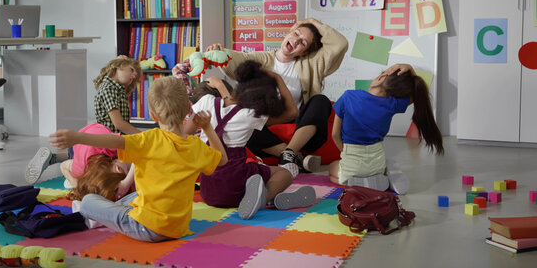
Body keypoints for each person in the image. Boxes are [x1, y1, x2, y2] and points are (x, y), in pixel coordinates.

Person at [49, 77, 228, 242]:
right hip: (178, 228)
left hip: (146, 228)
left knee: (87, 201)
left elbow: (115, 140)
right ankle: (105, 215)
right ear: (188, 110)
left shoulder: (149, 139)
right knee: (136, 195)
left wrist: (78, 137)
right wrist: (207, 128)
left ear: (153, 115)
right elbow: (222, 160)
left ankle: (95, 217)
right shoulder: (195, 146)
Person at [209, 18, 348, 172]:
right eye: (296, 34)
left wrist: (312, 21)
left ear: (305, 52)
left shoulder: (311, 63)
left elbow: (340, 44)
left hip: (299, 124)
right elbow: (236, 60)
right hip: (263, 125)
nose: (296, 41)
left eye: (302, 42)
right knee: (243, 121)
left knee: (321, 100)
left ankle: (289, 152)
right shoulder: (261, 59)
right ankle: (295, 157)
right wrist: (218, 53)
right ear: (289, 33)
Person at [186, 61, 316, 220]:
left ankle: (264, 197)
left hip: (209, 193)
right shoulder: (250, 113)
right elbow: (292, 112)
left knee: (255, 167)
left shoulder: (203, 104)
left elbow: (184, 134)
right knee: (285, 172)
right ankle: (265, 198)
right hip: (235, 188)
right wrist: (277, 78)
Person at [328, 64, 444, 194]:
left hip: (353, 161)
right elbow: (417, 93)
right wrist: (410, 69)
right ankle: (381, 175)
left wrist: (346, 154)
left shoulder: (348, 96)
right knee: (364, 168)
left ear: (381, 77)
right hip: (377, 161)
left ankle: (353, 181)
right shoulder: (392, 104)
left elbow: (335, 135)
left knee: (332, 169)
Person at [25, 55, 141, 184]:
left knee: (81, 156)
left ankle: (53, 158)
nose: (134, 75)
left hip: (101, 140)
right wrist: (141, 136)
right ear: (117, 67)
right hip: (105, 141)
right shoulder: (110, 89)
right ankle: (67, 168)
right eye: (131, 70)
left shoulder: (116, 89)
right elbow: (118, 123)